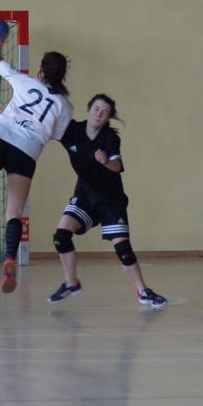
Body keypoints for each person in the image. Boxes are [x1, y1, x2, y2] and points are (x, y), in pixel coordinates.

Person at [0, 35, 74, 294]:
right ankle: (10, 258)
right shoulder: (65, 106)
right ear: (63, 75)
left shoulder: (25, 81)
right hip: (26, 152)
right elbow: (55, 134)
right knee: (14, 212)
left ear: (41, 69)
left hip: (3, 137)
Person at [46, 94, 166, 309]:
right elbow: (43, 127)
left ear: (108, 117)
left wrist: (105, 162)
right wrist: (13, 118)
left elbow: (117, 165)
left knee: (123, 249)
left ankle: (143, 291)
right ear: (89, 108)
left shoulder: (109, 138)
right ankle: (71, 283)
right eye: (96, 109)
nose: (99, 114)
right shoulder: (72, 130)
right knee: (61, 236)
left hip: (111, 199)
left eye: (104, 112)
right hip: (85, 195)